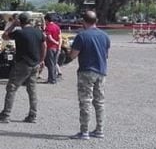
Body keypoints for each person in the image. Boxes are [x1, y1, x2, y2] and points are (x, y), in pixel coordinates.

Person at [0, 12, 46, 123]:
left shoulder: (19, 32)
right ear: (30, 21)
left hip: (22, 64)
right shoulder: (39, 32)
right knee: (32, 90)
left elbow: (4, 36)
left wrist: (13, 25)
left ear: (20, 21)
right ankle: (32, 115)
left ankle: (6, 114)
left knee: (11, 88)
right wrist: (42, 60)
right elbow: (44, 45)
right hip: (35, 64)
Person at [68, 11, 111, 139]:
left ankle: (84, 131)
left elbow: (73, 55)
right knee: (99, 102)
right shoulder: (105, 36)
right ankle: (99, 129)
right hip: (101, 71)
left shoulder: (82, 36)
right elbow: (106, 55)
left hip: (86, 71)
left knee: (85, 101)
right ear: (96, 21)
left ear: (83, 21)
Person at [44, 14, 62, 84]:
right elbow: (60, 36)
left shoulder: (48, 27)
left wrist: (56, 43)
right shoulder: (57, 27)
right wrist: (59, 46)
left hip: (50, 47)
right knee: (54, 63)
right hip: (57, 48)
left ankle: (51, 79)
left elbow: (49, 38)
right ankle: (53, 78)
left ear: (47, 20)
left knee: (50, 64)